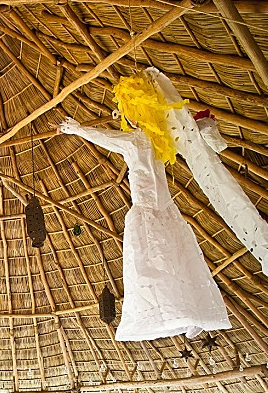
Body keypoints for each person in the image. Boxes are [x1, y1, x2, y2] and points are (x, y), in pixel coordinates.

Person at [57, 71, 231, 341]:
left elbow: (108, 139)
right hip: (165, 209)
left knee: (151, 265)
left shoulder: (138, 140)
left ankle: (180, 311)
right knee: (176, 259)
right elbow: (187, 135)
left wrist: (78, 129)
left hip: (147, 207)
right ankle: (189, 309)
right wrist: (201, 124)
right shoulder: (159, 140)